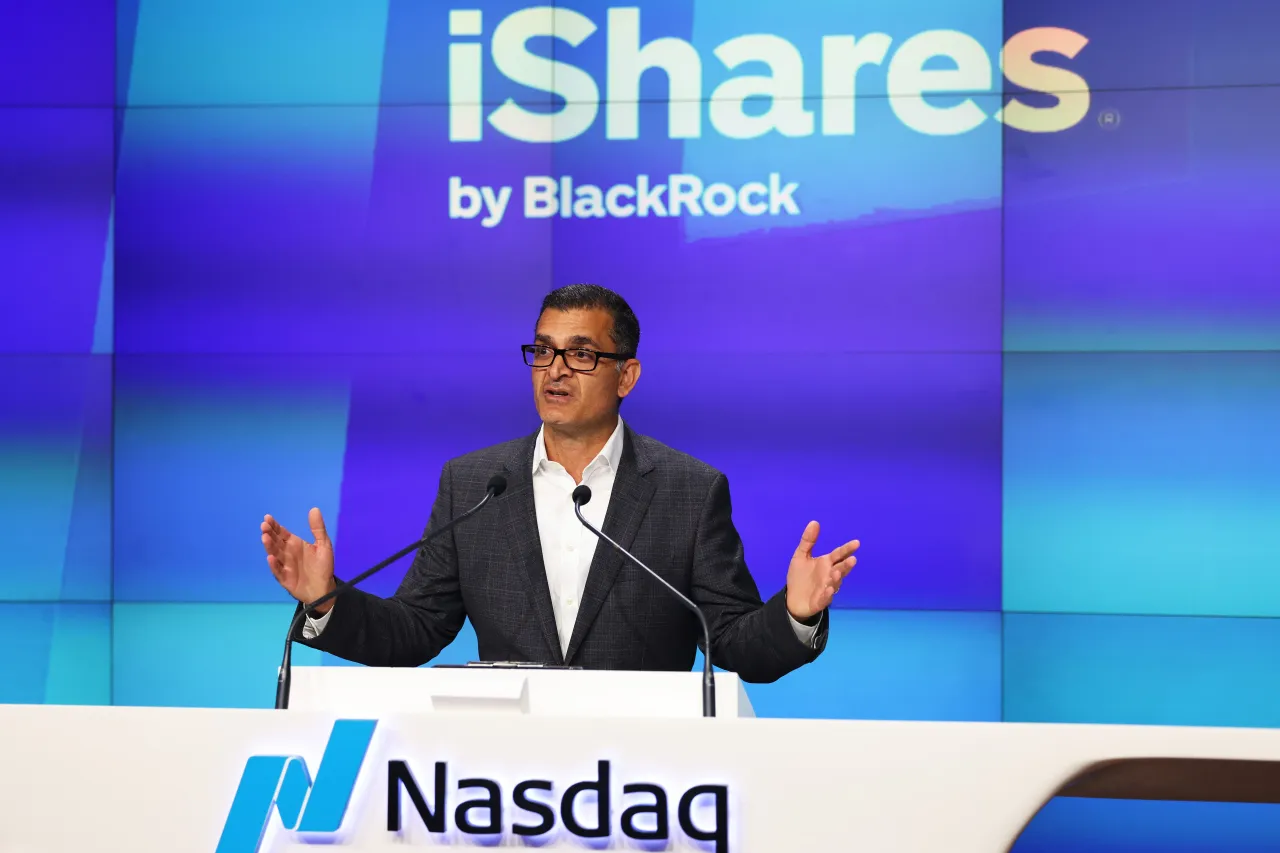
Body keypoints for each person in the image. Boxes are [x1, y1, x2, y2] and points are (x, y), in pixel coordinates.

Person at [261, 284, 859, 682]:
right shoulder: (474, 483)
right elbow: (415, 631)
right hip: (504, 782)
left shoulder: (688, 491)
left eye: (580, 355)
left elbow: (728, 642)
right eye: (543, 352)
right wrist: (327, 600)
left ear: (626, 376)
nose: (555, 370)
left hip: (647, 782)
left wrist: (795, 615)